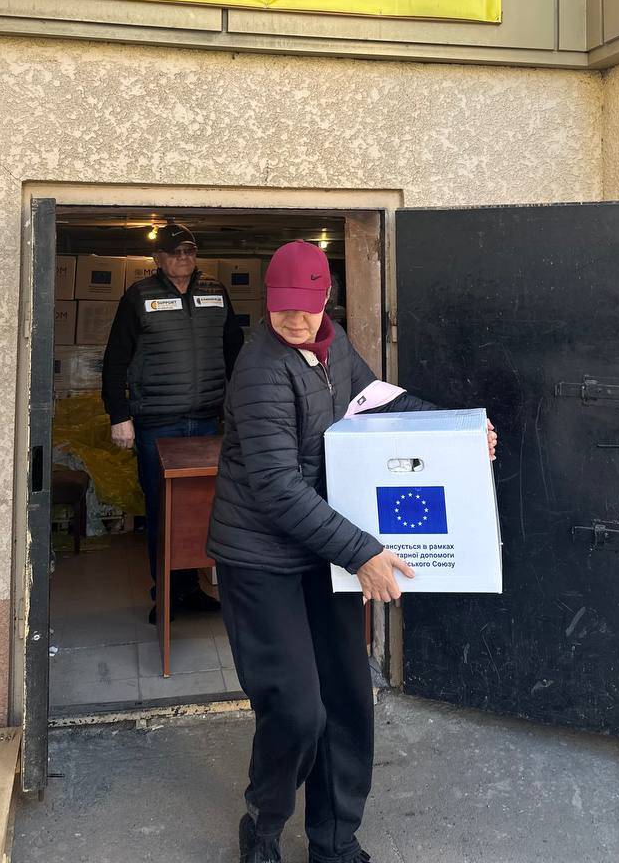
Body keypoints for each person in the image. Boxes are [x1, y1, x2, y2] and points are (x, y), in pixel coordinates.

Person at [207, 240, 497, 863]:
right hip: (261, 560)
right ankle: (263, 825)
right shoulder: (260, 370)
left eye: (306, 307)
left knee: (346, 701)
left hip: (322, 552)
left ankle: (335, 844)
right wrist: (363, 552)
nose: (294, 319)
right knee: (297, 711)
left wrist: (461, 432)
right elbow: (277, 488)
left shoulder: (333, 346)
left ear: (325, 299)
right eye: (282, 307)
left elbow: (379, 401)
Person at [103, 224, 244, 620]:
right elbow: (115, 360)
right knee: (162, 512)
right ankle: (164, 595)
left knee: (203, 511)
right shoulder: (139, 296)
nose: (184, 258)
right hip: (157, 425)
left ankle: (191, 589)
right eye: (175, 252)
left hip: (206, 422)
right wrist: (119, 415)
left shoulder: (216, 292)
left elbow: (235, 353)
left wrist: (240, 408)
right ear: (158, 258)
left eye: (190, 251)